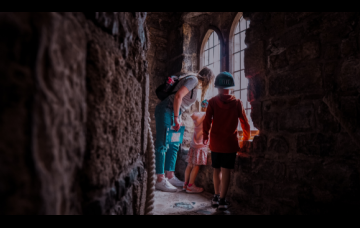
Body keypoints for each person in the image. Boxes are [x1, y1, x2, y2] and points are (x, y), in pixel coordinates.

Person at [155, 67, 215, 192]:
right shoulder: (193, 80)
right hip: (167, 109)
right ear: (208, 79)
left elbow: (181, 102)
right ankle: (160, 179)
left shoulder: (195, 85)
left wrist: (178, 117)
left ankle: (170, 176)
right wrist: (176, 117)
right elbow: (178, 96)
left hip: (175, 112)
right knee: (163, 144)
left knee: (175, 144)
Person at [203, 72, 250, 210]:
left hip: (216, 143)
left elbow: (207, 121)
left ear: (217, 86)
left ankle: (216, 197)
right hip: (230, 144)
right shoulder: (237, 103)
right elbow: (245, 123)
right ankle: (223, 200)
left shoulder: (212, 102)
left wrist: (205, 135)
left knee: (216, 170)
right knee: (226, 171)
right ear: (231, 87)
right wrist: (246, 138)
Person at [183, 99, 210, 194]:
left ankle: (185, 184)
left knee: (190, 165)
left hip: (193, 144)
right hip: (201, 145)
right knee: (196, 166)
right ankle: (190, 186)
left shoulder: (196, 116)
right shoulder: (207, 117)